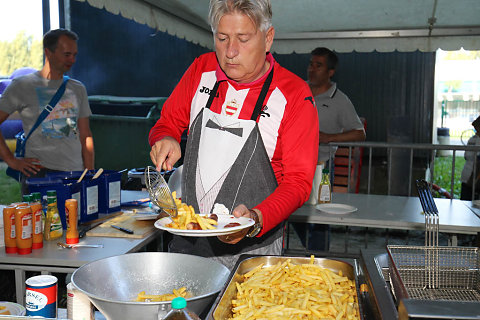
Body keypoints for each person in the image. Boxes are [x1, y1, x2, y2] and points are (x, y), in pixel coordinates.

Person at [149, 0, 319, 270]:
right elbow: (167, 122)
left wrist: (255, 218)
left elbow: (298, 183)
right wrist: (166, 137)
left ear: (268, 38)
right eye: (222, 37)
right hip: (189, 239)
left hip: (254, 248)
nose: (230, 52)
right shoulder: (200, 70)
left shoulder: (295, 95)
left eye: (243, 39)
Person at [0, 29, 94, 193]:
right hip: (39, 176)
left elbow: (86, 135)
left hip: (75, 174)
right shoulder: (22, 85)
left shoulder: (78, 88)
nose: (72, 59)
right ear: (48, 52)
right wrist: (11, 161)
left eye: (74, 54)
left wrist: (89, 173)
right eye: (66, 54)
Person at [293, 47, 366, 251]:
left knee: (321, 214)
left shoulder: (340, 100)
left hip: (321, 166)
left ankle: (318, 258)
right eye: (310, 64)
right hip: (294, 165)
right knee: (292, 210)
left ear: (330, 72)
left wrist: (329, 137)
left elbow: (360, 133)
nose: (312, 69)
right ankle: (310, 248)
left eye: (318, 65)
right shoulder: (298, 91)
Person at [460, 116, 480, 200]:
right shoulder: (474, 139)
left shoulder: (472, 139)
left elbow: (466, 155)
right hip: (470, 179)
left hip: (470, 178)